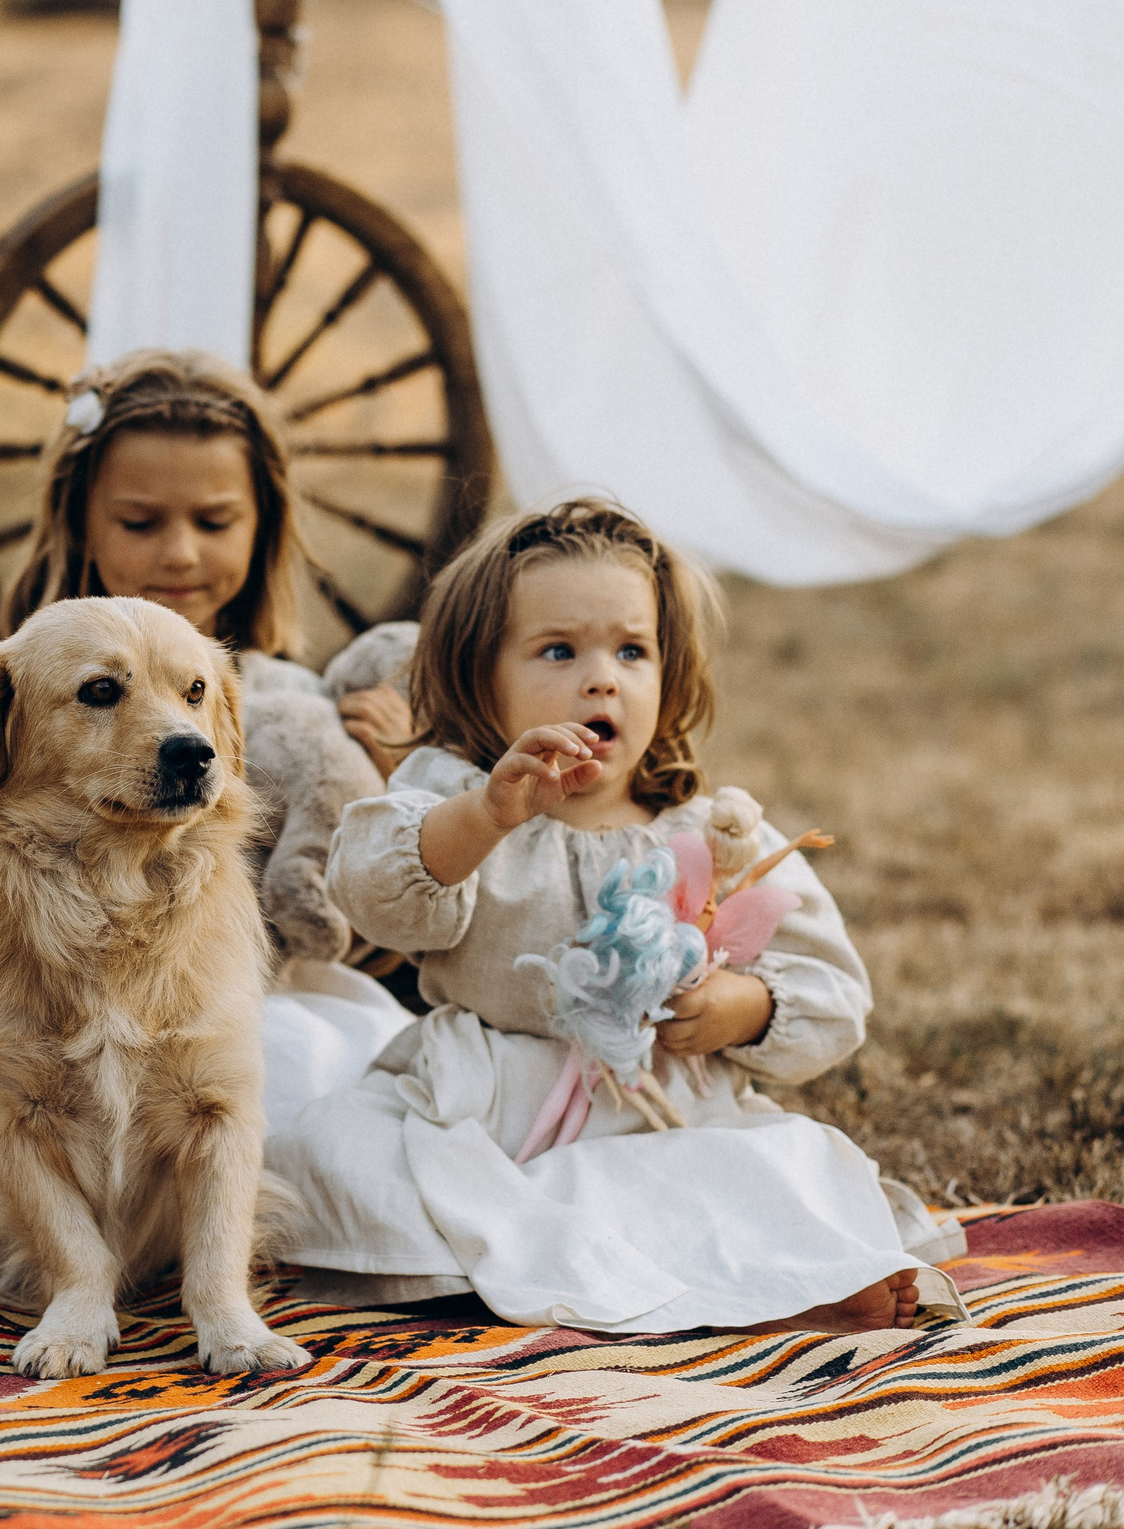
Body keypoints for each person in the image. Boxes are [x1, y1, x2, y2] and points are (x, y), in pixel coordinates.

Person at [268, 498, 967, 1332]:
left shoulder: (711, 834)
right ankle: (621, 1268)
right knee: (329, 1150)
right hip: (491, 1112)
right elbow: (370, 889)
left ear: (670, 676)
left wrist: (745, 1008)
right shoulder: (464, 800)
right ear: (483, 677)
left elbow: (835, 993)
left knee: (772, 1164)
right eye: (558, 650)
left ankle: (754, 1279)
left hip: (657, 1118)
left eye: (632, 650)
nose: (602, 677)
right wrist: (485, 818)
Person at [0, 351, 411, 1159]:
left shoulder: (295, 703)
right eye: (140, 523)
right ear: (80, 520)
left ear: (263, 525)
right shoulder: (4, 702)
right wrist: (42, 930)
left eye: (215, 522)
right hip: (48, 1025)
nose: (180, 553)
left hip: (250, 1010)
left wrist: (391, 784)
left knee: (329, 1079)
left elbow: (368, 912)